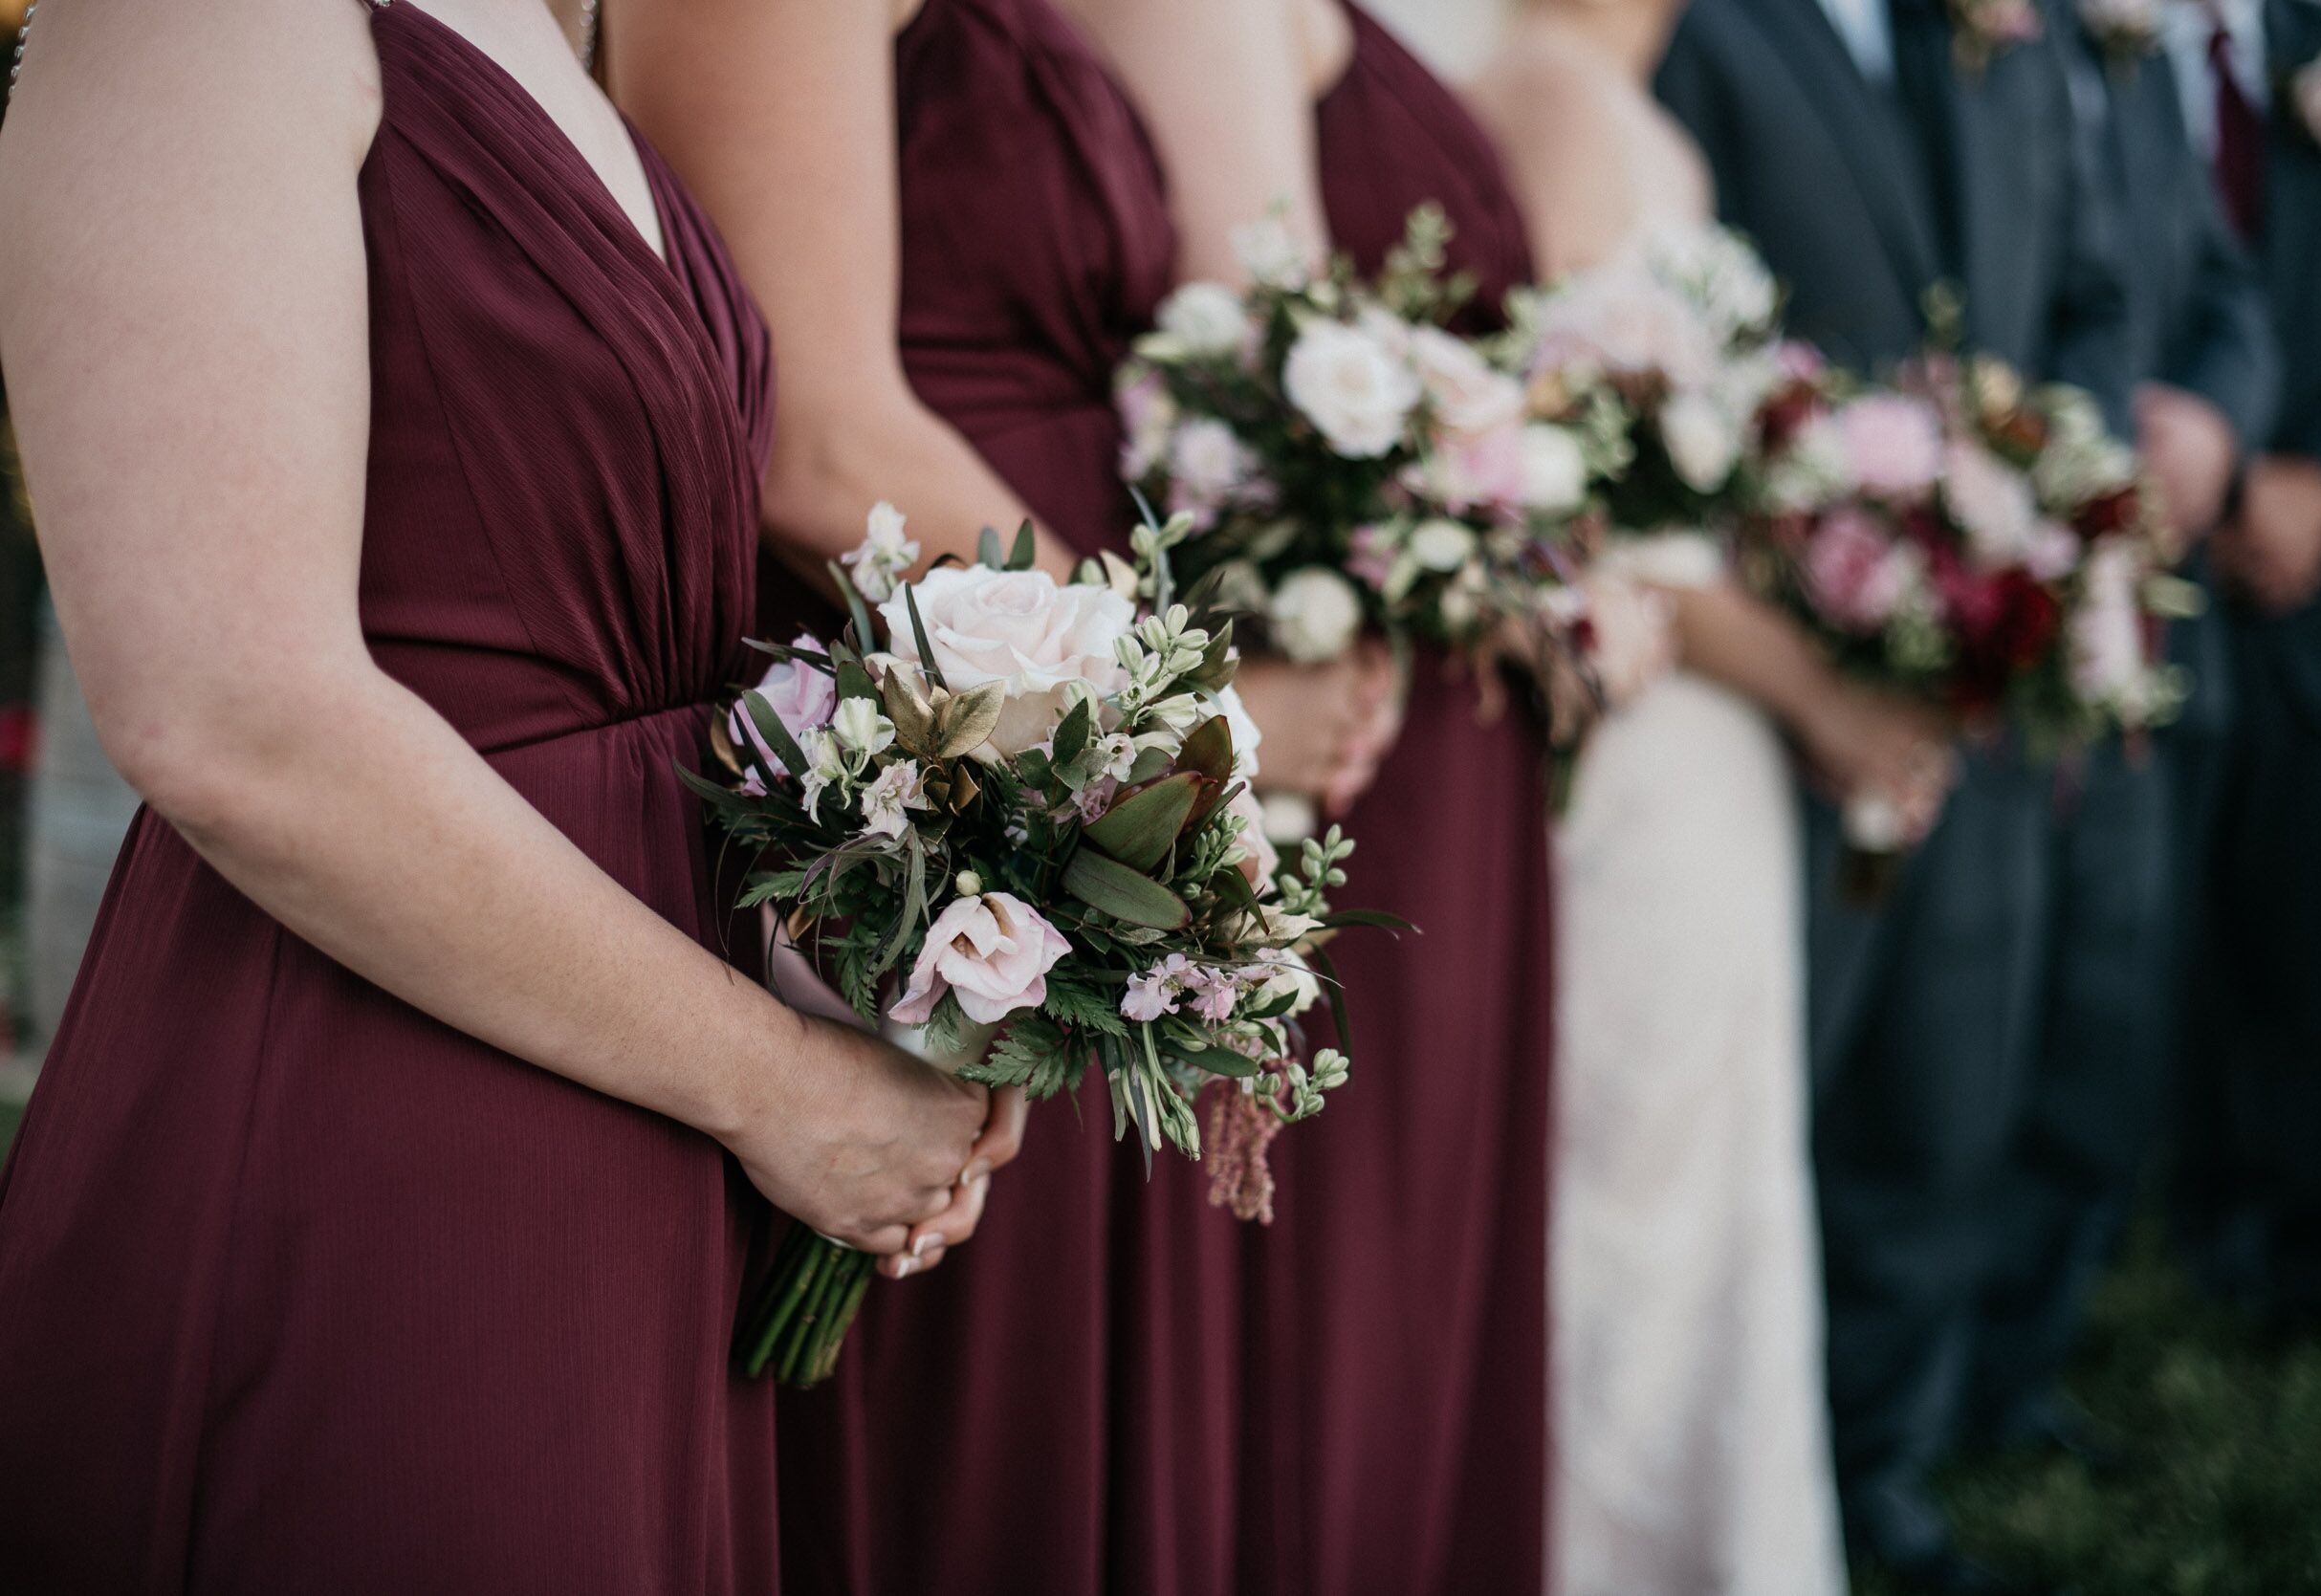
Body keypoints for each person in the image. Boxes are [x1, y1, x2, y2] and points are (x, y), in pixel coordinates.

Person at [0, 0, 1012, 1587]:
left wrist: (876, 974)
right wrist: (787, 1092)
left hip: (639, 1084)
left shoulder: (541, 27)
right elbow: (230, 719)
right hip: (392, 1113)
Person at [607, 2, 1401, 1590]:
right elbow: (818, 439)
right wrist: (1172, 715)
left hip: (1058, 723)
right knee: (953, 1433)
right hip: (935, 697)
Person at [1062, 2, 1559, 1588]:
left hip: (1372, 671)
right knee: (1322, 1272)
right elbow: (1252, 347)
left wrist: (1528, 535)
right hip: (1281, 684)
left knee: (1412, 1258)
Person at [1472, 1, 1962, 1590]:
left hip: (1707, 741)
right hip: (1628, 737)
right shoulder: (1545, 100)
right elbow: (1550, 516)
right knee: (1620, 1201)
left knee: (1713, 1190)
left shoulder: (1649, 125)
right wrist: (1817, 682)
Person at [1656, 1, 2133, 1587]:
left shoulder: (2008, 35)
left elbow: (2073, 292)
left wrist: (2044, 523)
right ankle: (1755, 1461)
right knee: (1783, 1087)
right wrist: (1802, 634)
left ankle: (1884, 1461)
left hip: (1977, 670)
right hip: (1760, 679)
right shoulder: (1695, 28)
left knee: (1950, 1082)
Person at [1966, 0, 2280, 1463]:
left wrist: (2213, 426)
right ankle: (1914, 1385)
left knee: (2107, 1003)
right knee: (1973, 1023)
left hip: (2145, 620)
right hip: (1989, 604)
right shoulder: (1963, 53)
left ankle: (2024, 1363)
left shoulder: (2145, 82)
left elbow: (2227, 295)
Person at [2169, 0, 2321, 1344]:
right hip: (2153, 545)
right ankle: (2191, 1214)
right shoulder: (2083, 52)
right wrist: (2215, 487)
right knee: (2154, 915)